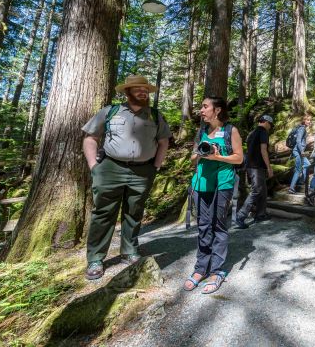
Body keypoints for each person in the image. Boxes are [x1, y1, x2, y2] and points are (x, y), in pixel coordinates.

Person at [82, 75, 171, 280]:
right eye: (138, 89)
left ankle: (129, 251)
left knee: (134, 212)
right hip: (110, 169)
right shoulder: (110, 111)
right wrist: (94, 166)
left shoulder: (155, 116)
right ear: (127, 92)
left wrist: (155, 167)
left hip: (143, 171)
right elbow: (90, 138)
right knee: (103, 213)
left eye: (145, 89)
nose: (143, 92)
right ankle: (95, 258)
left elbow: (163, 142)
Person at [183, 96, 244, 294]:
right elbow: (193, 158)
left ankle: (217, 271)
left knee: (218, 226)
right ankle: (201, 268)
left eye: (205, 106)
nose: (201, 110)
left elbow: (239, 158)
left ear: (217, 110)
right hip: (201, 183)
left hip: (222, 183)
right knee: (203, 226)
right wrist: (201, 154)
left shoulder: (230, 130)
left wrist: (217, 156)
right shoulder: (201, 131)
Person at [235, 114, 274, 229]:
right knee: (257, 190)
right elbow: (263, 150)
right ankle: (240, 215)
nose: (270, 127)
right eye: (270, 125)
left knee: (263, 190)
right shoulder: (263, 132)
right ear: (266, 122)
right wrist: (269, 167)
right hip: (256, 166)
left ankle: (260, 214)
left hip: (251, 165)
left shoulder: (252, 133)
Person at [288, 115, 312, 194]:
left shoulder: (302, 128)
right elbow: (298, 141)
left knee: (307, 165)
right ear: (304, 121)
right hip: (298, 151)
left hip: (299, 151)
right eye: (308, 120)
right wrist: (302, 151)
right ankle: (291, 188)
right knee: (298, 169)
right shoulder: (302, 128)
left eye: (310, 120)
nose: (309, 122)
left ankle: (301, 181)